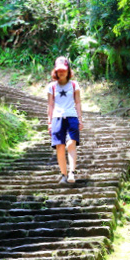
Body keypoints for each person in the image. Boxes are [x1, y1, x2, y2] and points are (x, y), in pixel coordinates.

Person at [47, 56, 83, 185]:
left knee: (70, 144)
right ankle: (63, 174)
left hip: (72, 116)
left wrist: (80, 119)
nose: (61, 72)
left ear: (68, 70)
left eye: (64, 70)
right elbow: (50, 105)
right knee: (60, 147)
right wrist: (49, 122)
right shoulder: (52, 86)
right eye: (59, 70)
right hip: (57, 117)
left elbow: (78, 102)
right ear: (55, 71)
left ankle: (72, 172)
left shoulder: (74, 85)